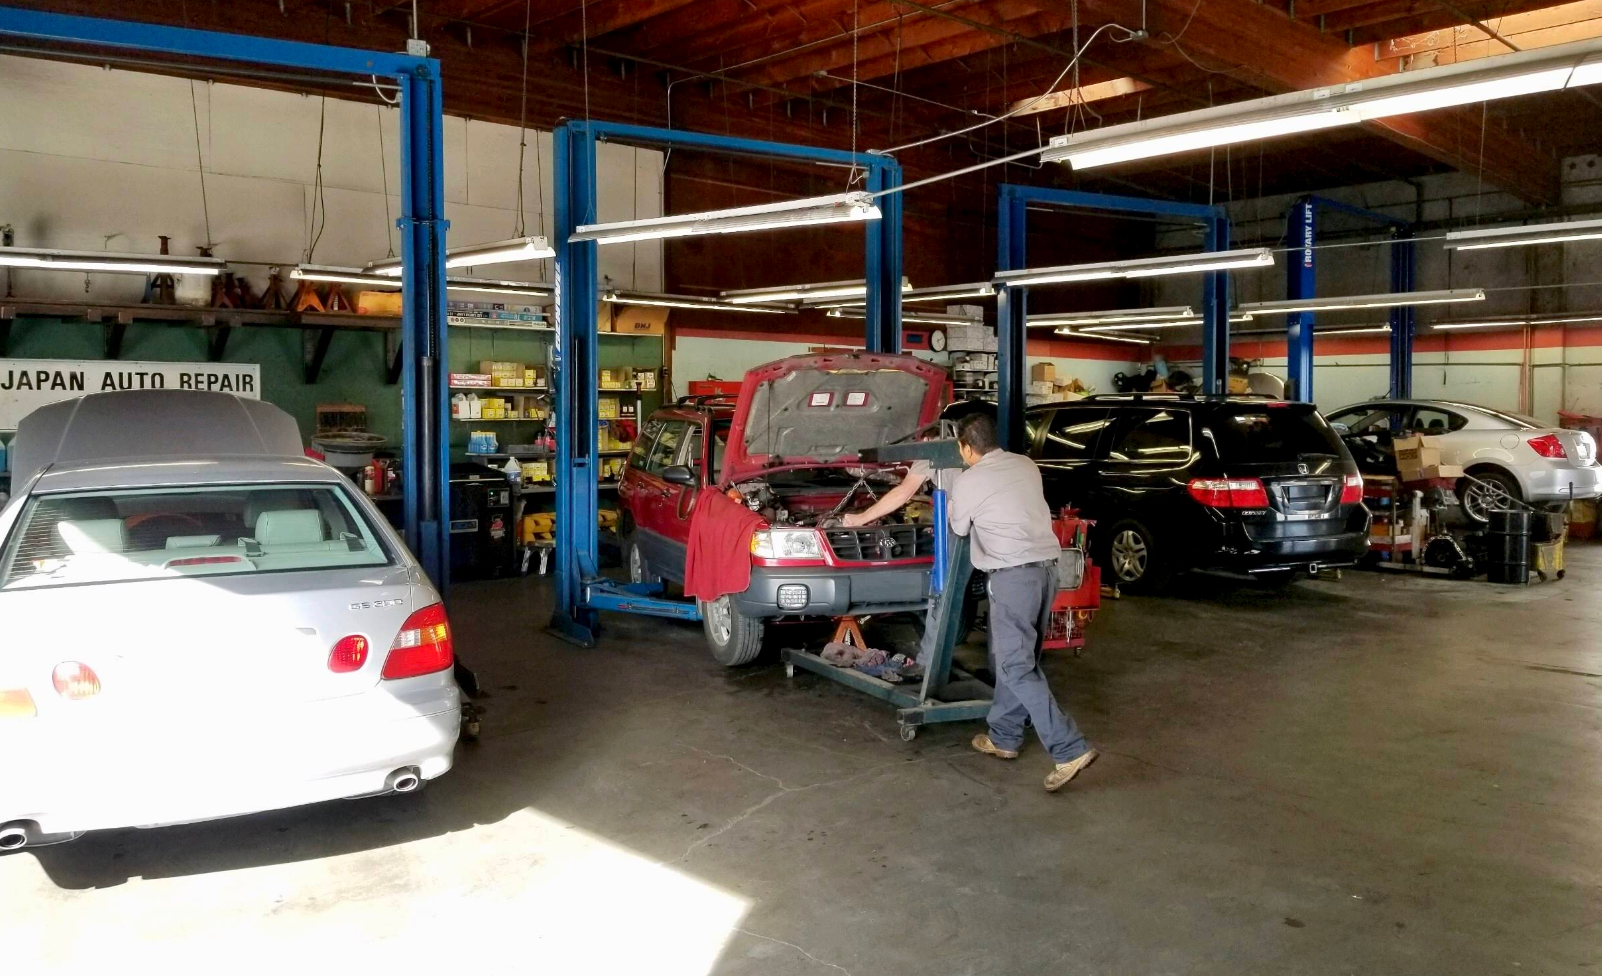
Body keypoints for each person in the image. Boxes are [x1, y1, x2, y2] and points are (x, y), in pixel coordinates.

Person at [947, 413, 1097, 792]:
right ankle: (1005, 736)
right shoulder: (1026, 463)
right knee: (1015, 659)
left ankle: (1068, 748)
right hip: (1047, 571)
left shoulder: (969, 479)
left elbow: (959, 528)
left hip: (1012, 577)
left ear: (965, 448)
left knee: (1014, 665)